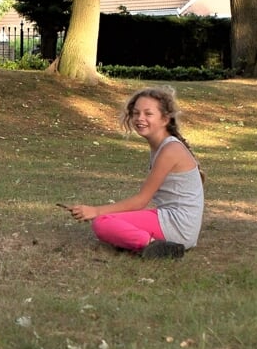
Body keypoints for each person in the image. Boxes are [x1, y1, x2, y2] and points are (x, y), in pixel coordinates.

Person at [67, 86, 204, 260]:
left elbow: (141, 201)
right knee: (112, 219)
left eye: (148, 114)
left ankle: (156, 246)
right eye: (136, 113)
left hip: (178, 227)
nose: (140, 119)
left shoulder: (170, 150)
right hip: (176, 224)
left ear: (165, 119)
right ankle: (156, 243)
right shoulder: (162, 146)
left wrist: (95, 210)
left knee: (102, 223)